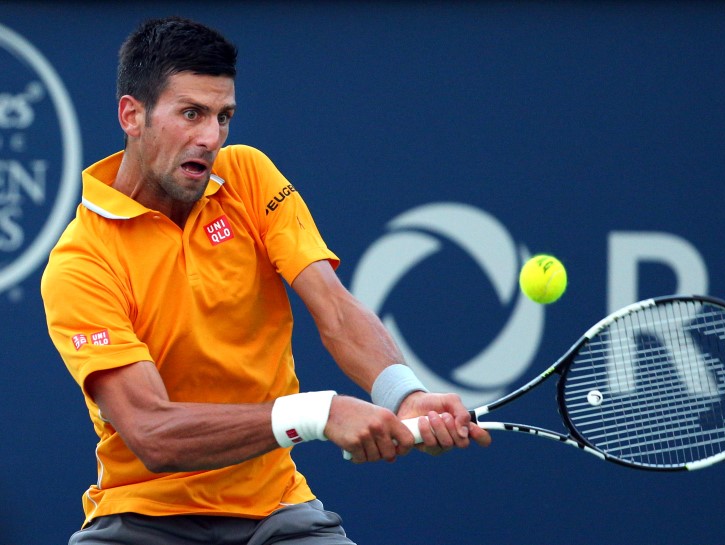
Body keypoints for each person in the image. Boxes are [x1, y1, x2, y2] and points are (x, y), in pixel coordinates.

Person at [41, 16, 490, 545]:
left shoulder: (248, 177)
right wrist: (317, 413)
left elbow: (335, 310)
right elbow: (153, 434)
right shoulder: (82, 262)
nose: (210, 138)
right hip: (140, 519)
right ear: (132, 115)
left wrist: (405, 396)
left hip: (277, 514)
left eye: (222, 116)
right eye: (191, 113)